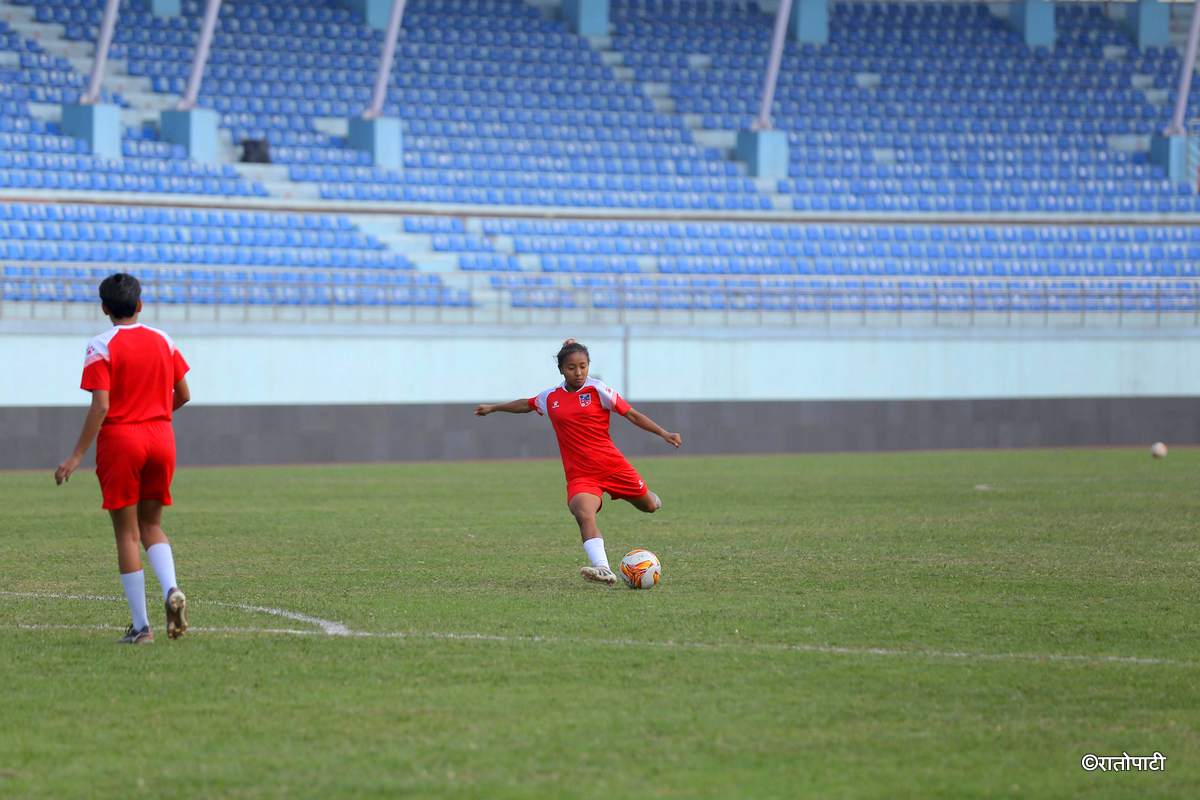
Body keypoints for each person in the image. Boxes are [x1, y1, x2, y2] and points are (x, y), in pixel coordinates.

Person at [475, 339, 681, 585]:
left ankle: (649, 495)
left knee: (649, 506)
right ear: (561, 369)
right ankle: (603, 568)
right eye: (572, 367)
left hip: (613, 466)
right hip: (581, 475)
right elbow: (525, 404)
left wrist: (663, 433)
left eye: (583, 366)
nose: (579, 372)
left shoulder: (597, 390)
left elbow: (632, 414)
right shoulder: (551, 397)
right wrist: (494, 408)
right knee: (583, 513)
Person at [54, 273, 191, 644]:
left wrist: (76, 456)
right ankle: (172, 589)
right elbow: (184, 393)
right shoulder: (163, 339)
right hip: (161, 436)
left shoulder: (101, 345)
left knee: (127, 534)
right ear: (140, 304)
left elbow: (101, 404)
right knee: (153, 525)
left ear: (104, 308)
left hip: (122, 440)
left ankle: (141, 627)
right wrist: (156, 414)